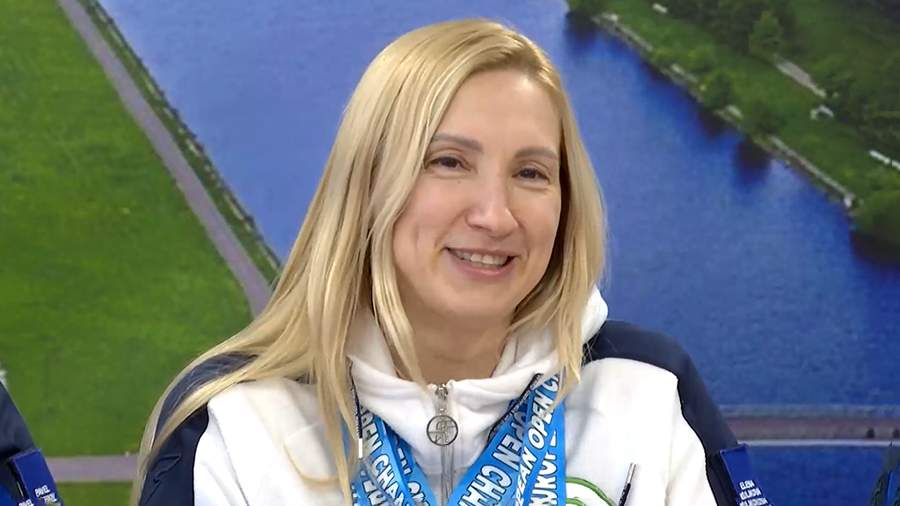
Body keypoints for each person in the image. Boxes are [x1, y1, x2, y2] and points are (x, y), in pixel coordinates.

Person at [133, 19, 763, 506]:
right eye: (449, 162)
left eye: (531, 172)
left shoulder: (649, 392)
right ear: (367, 185)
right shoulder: (236, 425)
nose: (495, 214)